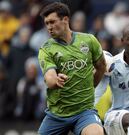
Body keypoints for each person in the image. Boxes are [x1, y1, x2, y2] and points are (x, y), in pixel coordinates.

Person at [38, 2, 106, 135]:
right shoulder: (46, 49)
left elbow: (101, 66)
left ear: (65, 19)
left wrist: (91, 86)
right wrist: (56, 80)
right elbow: (49, 78)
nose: (49, 27)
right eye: (47, 23)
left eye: (52, 22)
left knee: (96, 133)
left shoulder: (89, 41)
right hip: (57, 115)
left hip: (84, 112)